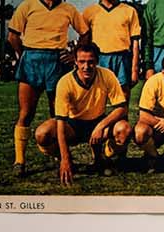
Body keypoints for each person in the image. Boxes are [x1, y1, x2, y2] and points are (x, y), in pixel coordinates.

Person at [7, 0, 88, 177]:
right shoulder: (27, 6)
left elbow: (85, 33)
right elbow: (12, 36)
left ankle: (61, 155)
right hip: (31, 59)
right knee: (26, 113)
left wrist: (74, 54)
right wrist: (24, 56)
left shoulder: (68, 9)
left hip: (56, 62)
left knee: (57, 114)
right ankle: (19, 161)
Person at [36, 42, 132, 181]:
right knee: (42, 134)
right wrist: (65, 159)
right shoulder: (65, 82)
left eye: (91, 62)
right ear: (75, 61)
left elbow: (122, 108)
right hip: (72, 125)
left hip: (97, 122)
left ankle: (104, 157)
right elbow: (61, 123)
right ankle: (63, 158)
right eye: (82, 62)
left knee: (124, 129)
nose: (86, 67)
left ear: (97, 61)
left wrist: (101, 126)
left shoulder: (107, 75)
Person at [80, 0, 142, 90]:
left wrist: (135, 70)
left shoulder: (129, 11)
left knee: (123, 92)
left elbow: (135, 44)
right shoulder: (90, 11)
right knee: (98, 93)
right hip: (99, 58)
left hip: (122, 57)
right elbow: (84, 41)